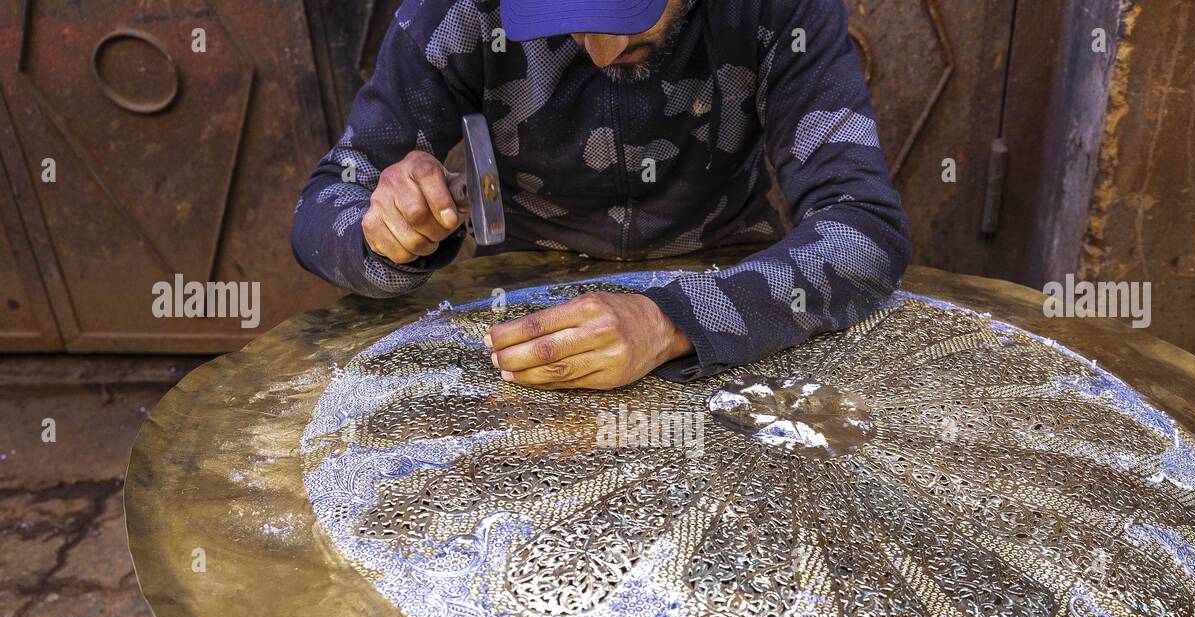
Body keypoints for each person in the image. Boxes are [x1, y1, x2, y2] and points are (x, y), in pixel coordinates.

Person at [292, 0, 910, 389]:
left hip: (733, 288)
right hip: (522, 307)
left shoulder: (781, 9)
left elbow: (864, 229)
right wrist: (384, 234)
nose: (603, 52)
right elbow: (324, 204)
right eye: (569, 21)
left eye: (626, 14)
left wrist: (672, 321)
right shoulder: (457, 10)